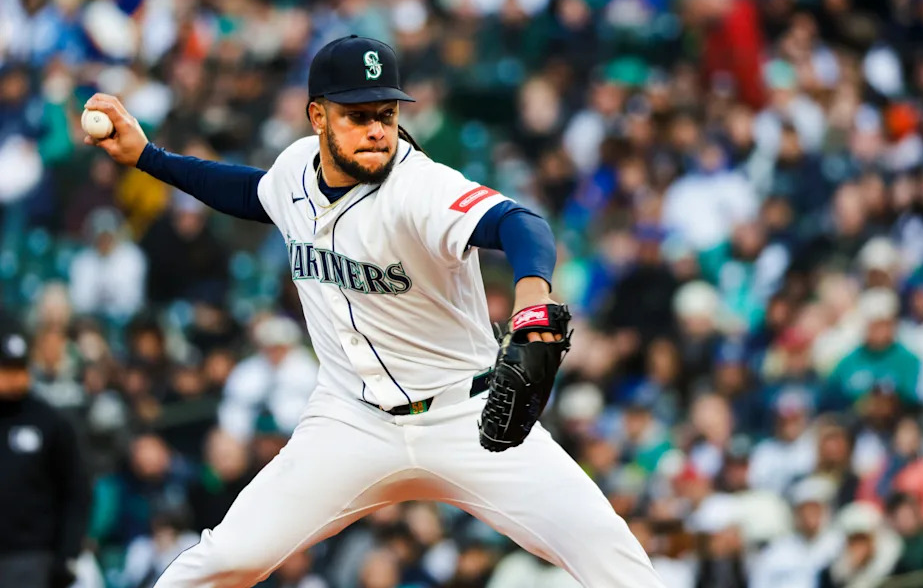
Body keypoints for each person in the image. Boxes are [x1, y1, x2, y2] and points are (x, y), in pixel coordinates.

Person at [83, 35, 664, 587]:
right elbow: (248, 191)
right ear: (317, 118)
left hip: (467, 417)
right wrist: (149, 158)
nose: (375, 130)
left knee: (606, 550)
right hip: (349, 422)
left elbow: (521, 222)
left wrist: (531, 298)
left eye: (384, 114)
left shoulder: (421, 189)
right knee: (227, 558)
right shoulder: (292, 173)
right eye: (357, 116)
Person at [0, 324, 90, 588]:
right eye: (6, 369)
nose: (13, 377)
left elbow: (76, 491)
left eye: (19, 368)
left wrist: (67, 553)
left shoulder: (49, 422)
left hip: (31, 556)